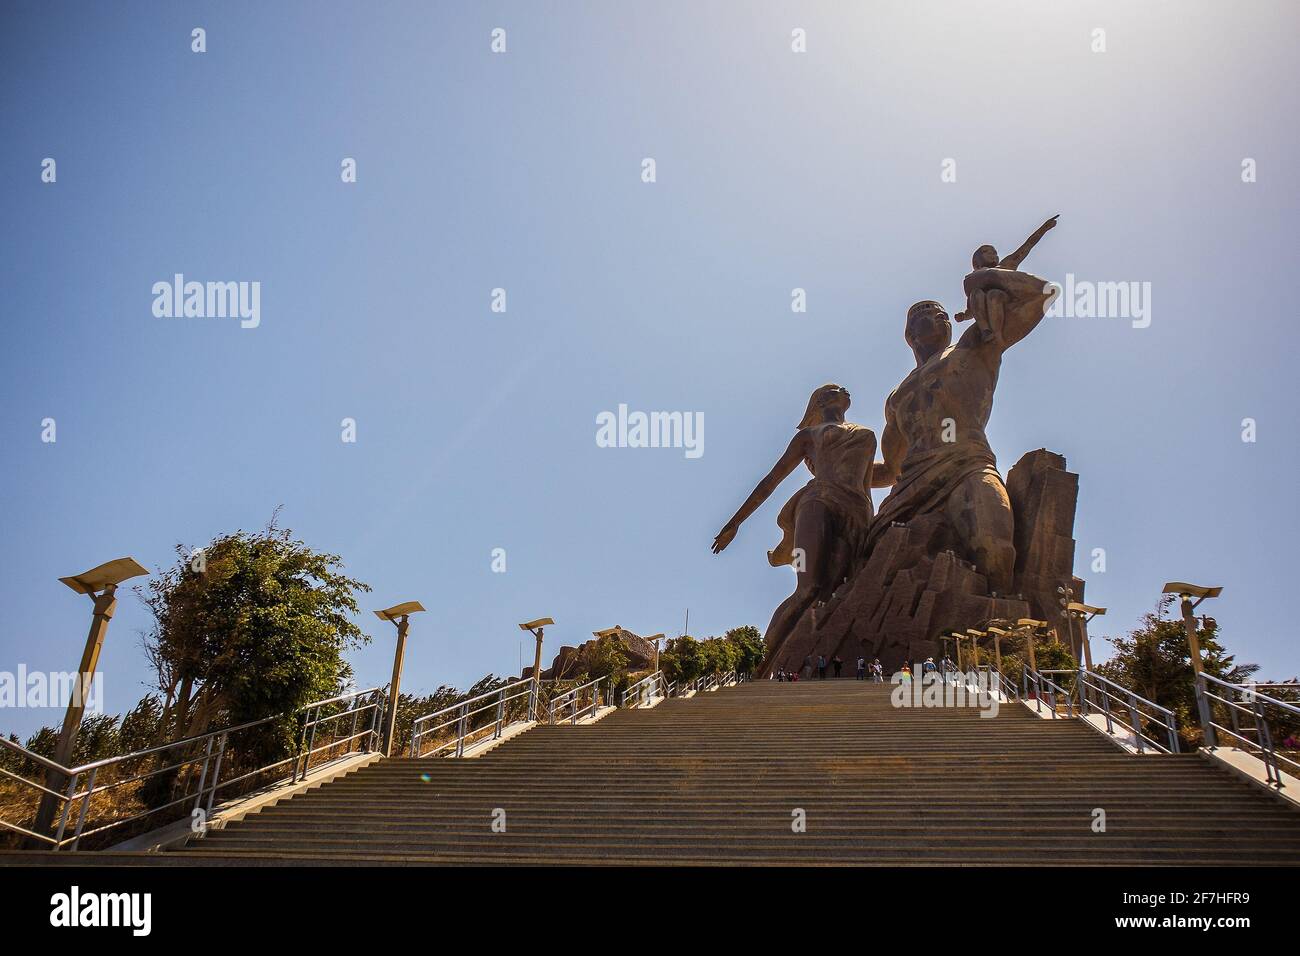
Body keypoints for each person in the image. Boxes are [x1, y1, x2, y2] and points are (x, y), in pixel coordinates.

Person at [713, 384, 882, 665]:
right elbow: (770, 481)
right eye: (833, 389)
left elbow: (868, 483)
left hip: (858, 510)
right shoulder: (809, 436)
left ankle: (824, 661)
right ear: (819, 403)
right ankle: (759, 665)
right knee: (808, 589)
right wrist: (735, 523)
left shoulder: (867, 435)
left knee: (847, 587)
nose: (844, 389)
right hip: (818, 503)